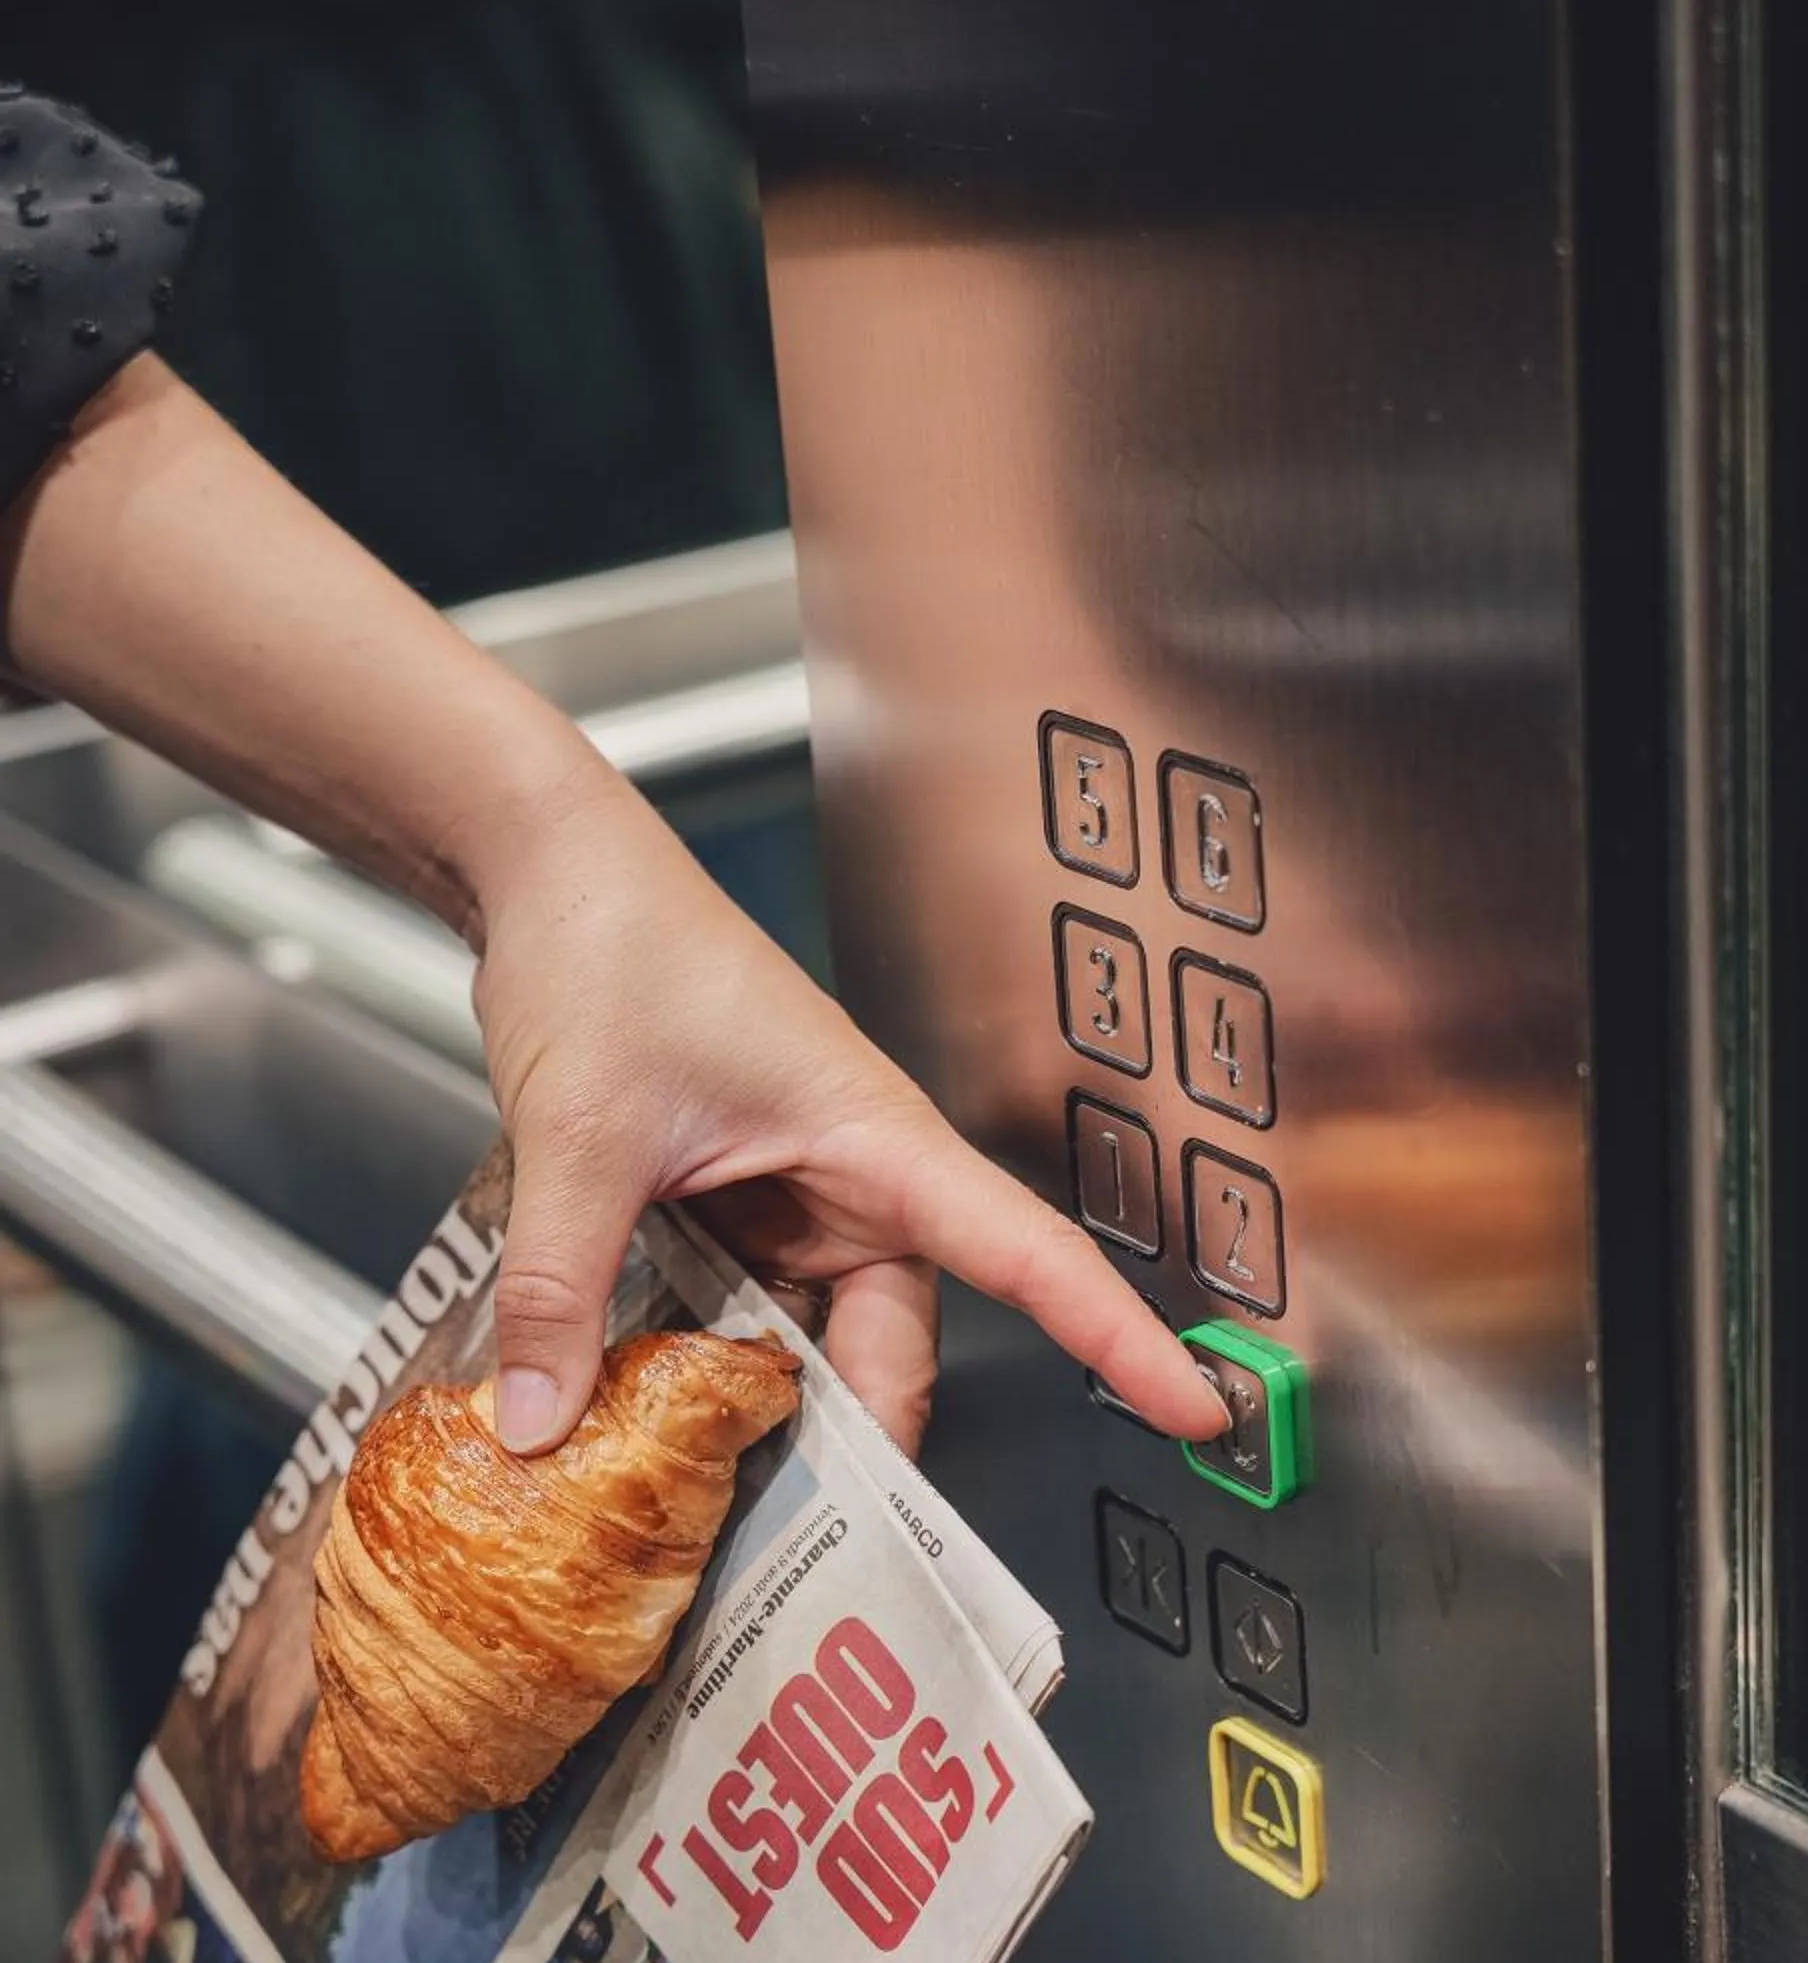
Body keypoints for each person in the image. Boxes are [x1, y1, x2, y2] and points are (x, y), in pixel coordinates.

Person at [0, 89, 1223, 1463]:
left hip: (659, 533)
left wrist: (1007, 669)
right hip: (249, 642)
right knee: (299, 1282)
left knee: (736, 1274)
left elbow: (847, 115)